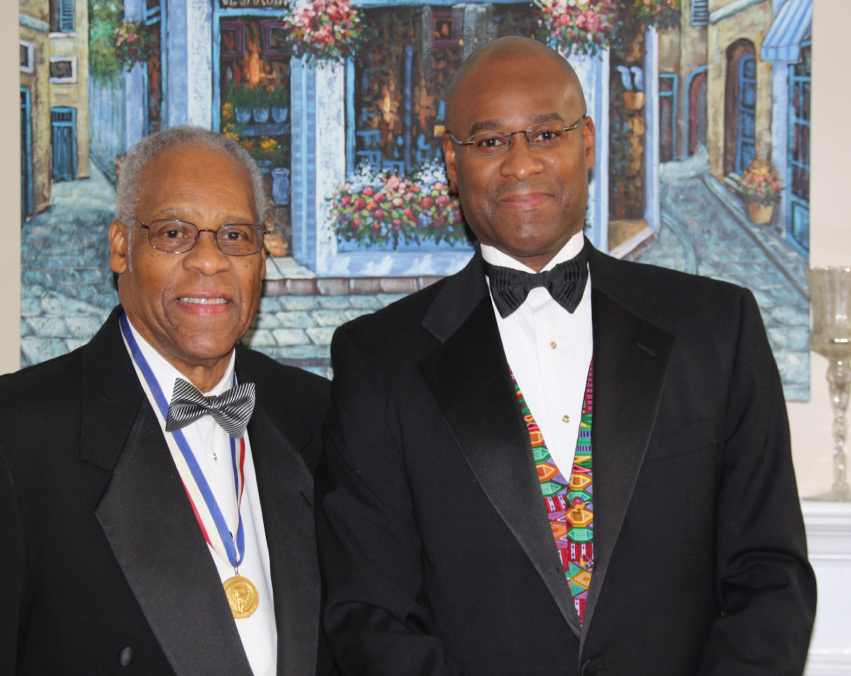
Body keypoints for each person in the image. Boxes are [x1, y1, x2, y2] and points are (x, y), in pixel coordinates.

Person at [316, 37, 815, 676]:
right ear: (451, 160)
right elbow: (370, 612)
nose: (521, 165)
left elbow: (769, 572)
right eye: (490, 141)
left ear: (588, 141)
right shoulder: (377, 360)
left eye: (546, 134)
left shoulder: (717, 329)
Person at [0, 126, 333, 676]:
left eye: (234, 236)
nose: (209, 260)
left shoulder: (321, 415)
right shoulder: (6, 441)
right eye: (175, 233)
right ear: (120, 247)